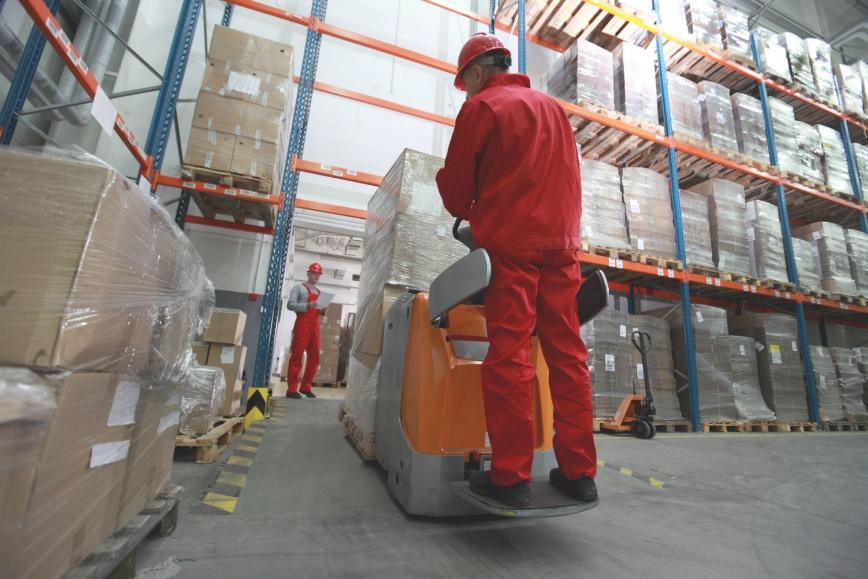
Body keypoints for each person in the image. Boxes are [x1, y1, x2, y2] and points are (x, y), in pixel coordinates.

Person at [435, 33, 597, 507]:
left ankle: (511, 477)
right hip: (562, 248)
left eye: (464, 81)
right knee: (567, 357)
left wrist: (466, 197)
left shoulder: (483, 108)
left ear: (478, 73)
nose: (464, 90)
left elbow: (455, 193)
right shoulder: (552, 108)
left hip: (513, 249)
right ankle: (580, 473)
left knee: (510, 356)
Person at [285, 263, 326, 399]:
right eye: (314, 273)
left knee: (314, 357)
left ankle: (305, 387)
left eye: (318, 274)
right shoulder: (299, 288)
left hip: (315, 326)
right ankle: (291, 389)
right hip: (302, 324)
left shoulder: (320, 293)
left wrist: (323, 310)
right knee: (297, 356)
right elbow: (290, 305)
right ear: (308, 274)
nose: (316, 276)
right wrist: (307, 305)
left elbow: (319, 310)